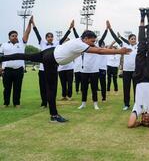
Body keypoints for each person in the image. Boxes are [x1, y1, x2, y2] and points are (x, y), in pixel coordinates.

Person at [0, 18, 131, 123]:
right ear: (85, 39)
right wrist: (119, 51)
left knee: (24, 56)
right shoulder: (80, 44)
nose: (93, 43)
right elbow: (100, 51)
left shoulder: (80, 41)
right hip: (51, 59)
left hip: (49, 53)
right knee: (51, 88)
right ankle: (54, 116)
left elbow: (98, 48)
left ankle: (2, 58)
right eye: (92, 41)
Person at [32, 18, 72, 107]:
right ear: (46, 38)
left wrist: (70, 29)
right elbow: (37, 33)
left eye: (51, 36)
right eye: (48, 37)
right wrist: (33, 24)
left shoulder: (56, 44)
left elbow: (64, 38)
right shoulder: (42, 43)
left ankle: (52, 103)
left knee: (52, 88)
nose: (50, 38)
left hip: (53, 70)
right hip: (42, 70)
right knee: (43, 87)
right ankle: (44, 103)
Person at [0, 16, 32, 108]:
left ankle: (16, 103)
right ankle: (6, 103)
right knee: (7, 88)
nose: (15, 37)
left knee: (17, 88)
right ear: (9, 37)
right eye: (13, 36)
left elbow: (27, 33)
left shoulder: (22, 43)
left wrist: (29, 23)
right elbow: (0, 58)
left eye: (16, 35)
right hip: (7, 70)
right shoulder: (3, 45)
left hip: (19, 70)